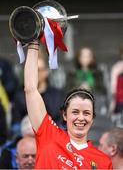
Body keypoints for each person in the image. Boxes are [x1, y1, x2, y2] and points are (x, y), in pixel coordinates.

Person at [24, 40, 113, 169]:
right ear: (65, 115)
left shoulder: (103, 162)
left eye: (86, 113)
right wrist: (33, 43)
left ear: (92, 119)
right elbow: (31, 89)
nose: (81, 118)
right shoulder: (49, 133)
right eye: (75, 112)